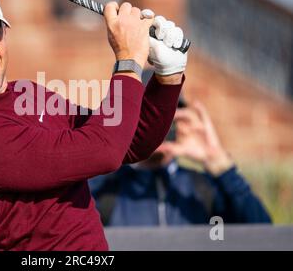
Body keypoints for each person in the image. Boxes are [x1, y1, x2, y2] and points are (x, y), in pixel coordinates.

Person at [0, 0, 188, 250]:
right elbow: (104, 151)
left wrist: (168, 77)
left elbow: (128, 143)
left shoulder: (28, 94)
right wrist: (129, 60)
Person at [90, 96, 272, 226]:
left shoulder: (203, 189)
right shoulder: (102, 191)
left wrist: (219, 163)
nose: (158, 126)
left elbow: (264, 238)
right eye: (146, 115)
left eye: (167, 116)